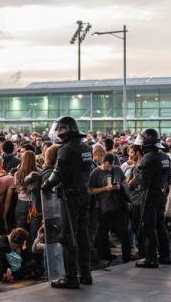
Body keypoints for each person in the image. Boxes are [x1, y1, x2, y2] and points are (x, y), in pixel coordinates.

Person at [41, 116, 93, 289]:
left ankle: (71, 277)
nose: (57, 133)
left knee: (67, 236)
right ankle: (85, 273)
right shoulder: (86, 148)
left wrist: (46, 184)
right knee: (83, 234)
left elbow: (58, 174)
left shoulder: (66, 149)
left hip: (70, 197)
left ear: (66, 130)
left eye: (59, 129)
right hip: (84, 194)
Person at [134, 128, 171, 268]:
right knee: (161, 226)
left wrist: (137, 170)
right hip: (161, 194)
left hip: (149, 196)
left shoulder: (148, 158)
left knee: (149, 227)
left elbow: (143, 181)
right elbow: (168, 177)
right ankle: (165, 255)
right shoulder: (164, 157)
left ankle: (151, 258)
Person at [89, 153, 131, 263]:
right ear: (103, 162)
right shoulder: (95, 172)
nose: (110, 167)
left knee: (123, 232)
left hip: (118, 205)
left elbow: (125, 181)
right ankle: (105, 255)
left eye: (112, 165)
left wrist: (120, 186)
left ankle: (127, 256)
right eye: (108, 165)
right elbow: (91, 190)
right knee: (103, 232)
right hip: (103, 207)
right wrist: (105, 188)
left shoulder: (117, 169)